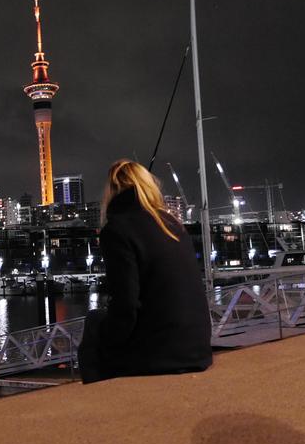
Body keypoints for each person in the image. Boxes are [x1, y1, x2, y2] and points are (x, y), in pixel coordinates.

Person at [78, 159, 212, 383]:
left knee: (94, 323)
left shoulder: (117, 229)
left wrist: (108, 343)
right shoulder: (172, 223)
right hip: (198, 348)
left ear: (111, 190)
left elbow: (126, 305)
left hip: (161, 354)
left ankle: (100, 402)